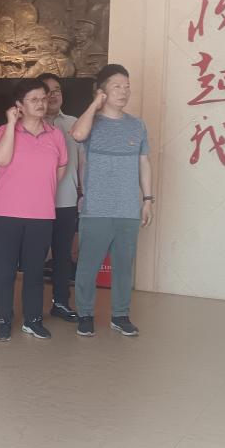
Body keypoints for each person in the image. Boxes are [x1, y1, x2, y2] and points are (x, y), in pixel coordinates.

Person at [70, 64, 153, 337]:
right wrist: (95, 104)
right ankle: (85, 314)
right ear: (102, 91)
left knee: (124, 268)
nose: (124, 91)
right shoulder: (91, 122)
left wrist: (147, 200)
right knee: (88, 266)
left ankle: (120, 315)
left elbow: (144, 163)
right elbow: (77, 135)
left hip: (128, 209)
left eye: (127, 86)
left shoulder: (137, 125)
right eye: (117, 86)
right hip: (96, 209)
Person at [0, 79, 68, 342]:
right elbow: (1, 159)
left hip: (41, 213)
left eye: (43, 98)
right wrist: (12, 123)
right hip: (7, 212)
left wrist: (40, 188)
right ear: (19, 105)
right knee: (5, 271)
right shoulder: (4, 130)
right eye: (34, 99)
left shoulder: (55, 135)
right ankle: (3, 319)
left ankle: (33, 320)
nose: (41, 103)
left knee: (35, 272)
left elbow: (60, 169)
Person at [42, 74, 82, 323]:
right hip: (36, 203)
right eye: (47, 91)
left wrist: (83, 192)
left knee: (63, 256)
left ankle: (61, 302)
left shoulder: (74, 123)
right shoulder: (29, 125)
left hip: (66, 200)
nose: (53, 95)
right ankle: (32, 305)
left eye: (57, 90)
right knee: (34, 256)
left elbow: (82, 162)